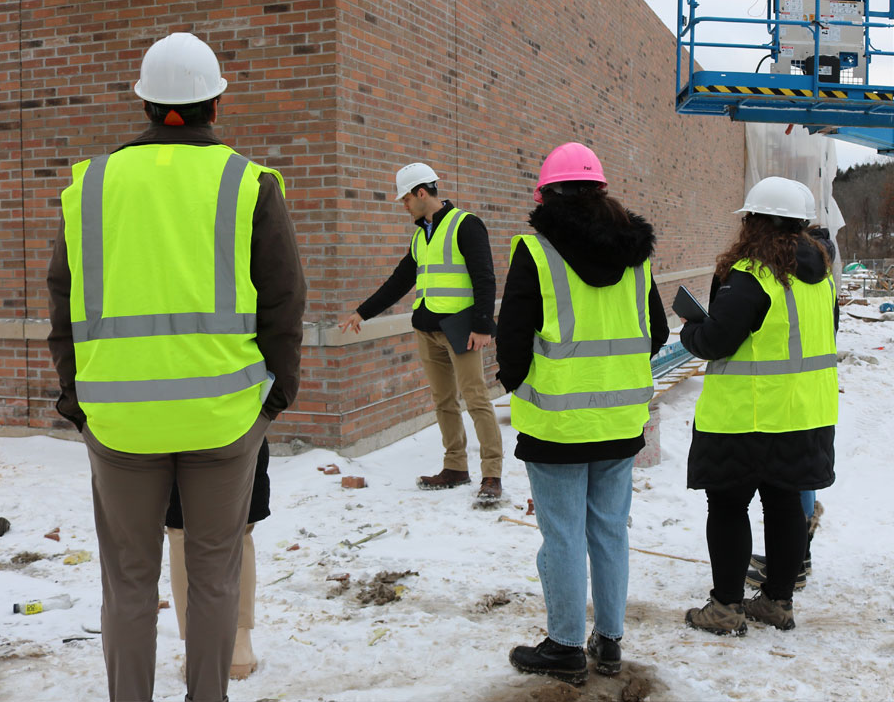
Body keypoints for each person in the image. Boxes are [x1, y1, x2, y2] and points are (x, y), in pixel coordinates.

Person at [47, 31, 306, 702]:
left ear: (145, 105)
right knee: (214, 573)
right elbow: (284, 300)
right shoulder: (249, 184)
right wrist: (270, 402)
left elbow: (61, 299)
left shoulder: (91, 185)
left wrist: (77, 397)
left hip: (120, 421)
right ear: (215, 105)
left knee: (129, 581)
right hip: (223, 418)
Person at [496, 142, 667, 684]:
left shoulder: (536, 249)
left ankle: (566, 646)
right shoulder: (634, 253)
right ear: (601, 191)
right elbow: (657, 331)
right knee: (610, 533)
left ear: (545, 194)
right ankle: (609, 643)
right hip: (619, 422)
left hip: (555, 424)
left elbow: (512, 336)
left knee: (564, 536)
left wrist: (523, 385)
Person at [681, 177, 837, 636]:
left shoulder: (750, 274)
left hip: (746, 418)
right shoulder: (821, 277)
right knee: (786, 504)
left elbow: (715, 341)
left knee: (728, 508)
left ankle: (726, 608)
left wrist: (692, 329)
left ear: (754, 222)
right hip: (806, 414)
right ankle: (776, 602)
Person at [340, 162, 503, 502]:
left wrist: (483, 325)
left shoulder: (466, 225)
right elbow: (399, 281)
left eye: (406, 199)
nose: (404, 206)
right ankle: (456, 467)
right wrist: (362, 313)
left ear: (422, 193)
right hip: (427, 331)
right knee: (443, 401)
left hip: (462, 331)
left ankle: (492, 475)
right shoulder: (420, 235)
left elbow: (484, 277)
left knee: (476, 400)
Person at [164, 439, 270, 681]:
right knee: (238, 530)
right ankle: (238, 648)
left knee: (182, 533)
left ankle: (199, 650)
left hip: (171, 423)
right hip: (235, 420)